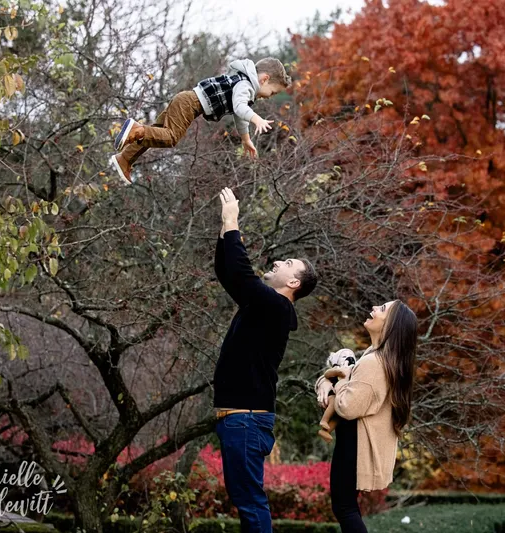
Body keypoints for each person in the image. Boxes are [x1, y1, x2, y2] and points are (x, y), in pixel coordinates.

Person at [214, 186, 318, 532]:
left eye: (287, 263)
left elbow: (243, 276)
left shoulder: (277, 307)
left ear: (293, 281)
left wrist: (233, 224)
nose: (277, 261)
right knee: (246, 499)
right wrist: (223, 231)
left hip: (245, 420)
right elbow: (230, 276)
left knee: (250, 501)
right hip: (239, 420)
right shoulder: (262, 307)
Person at [315, 300, 418, 532]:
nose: (373, 308)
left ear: (391, 325)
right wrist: (325, 382)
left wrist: (336, 382)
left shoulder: (374, 363)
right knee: (346, 507)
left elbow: (348, 406)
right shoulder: (378, 358)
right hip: (356, 442)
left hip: (355, 444)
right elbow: (343, 379)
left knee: (344, 508)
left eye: (382, 309)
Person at [109, 58, 291, 184]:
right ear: (264, 79)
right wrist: (257, 119)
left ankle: (125, 158)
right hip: (190, 104)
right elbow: (240, 108)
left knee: (157, 132)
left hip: (186, 99)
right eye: (272, 92)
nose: (269, 97)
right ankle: (136, 129)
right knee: (171, 137)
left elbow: (239, 115)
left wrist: (246, 139)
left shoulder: (243, 82)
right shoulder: (246, 86)